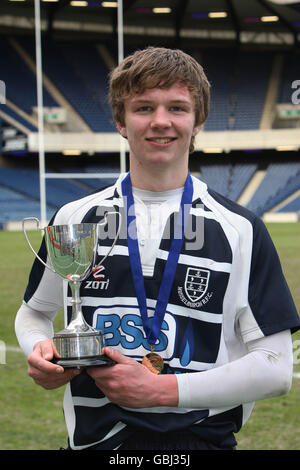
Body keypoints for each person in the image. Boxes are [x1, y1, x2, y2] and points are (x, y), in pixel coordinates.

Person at [15, 46, 300, 451]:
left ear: (198, 120)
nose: (161, 121)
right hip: (94, 444)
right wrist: (40, 350)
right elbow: (34, 313)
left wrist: (163, 390)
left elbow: (276, 369)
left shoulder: (241, 229)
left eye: (177, 108)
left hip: (201, 444)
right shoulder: (75, 217)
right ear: (120, 120)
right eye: (144, 107)